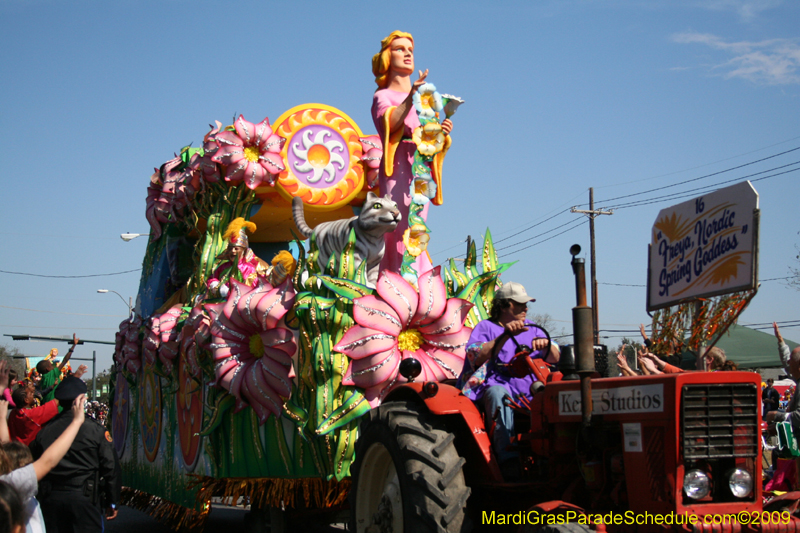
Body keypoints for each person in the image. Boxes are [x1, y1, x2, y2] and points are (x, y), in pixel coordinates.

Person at [371, 31, 453, 275]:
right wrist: (411, 96)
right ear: (387, 58)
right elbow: (391, 122)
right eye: (400, 49)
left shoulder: (425, 101)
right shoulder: (383, 96)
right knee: (396, 224)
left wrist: (443, 133)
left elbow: (430, 138)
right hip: (397, 168)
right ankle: (394, 277)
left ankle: (416, 277)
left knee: (417, 227)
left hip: (419, 171)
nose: (407, 53)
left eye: (410, 50)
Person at [457, 282, 559, 477]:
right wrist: (505, 335)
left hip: (528, 391)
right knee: (497, 393)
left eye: (526, 304)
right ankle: (508, 460)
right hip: (498, 386)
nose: (526, 308)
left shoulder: (532, 329)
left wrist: (547, 344)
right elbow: (476, 356)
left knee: (551, 395)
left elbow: (555, 356)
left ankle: (549, 456)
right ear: (503, 306)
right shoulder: (486, 327)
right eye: (520, 304)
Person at [31, 376, 120, 533]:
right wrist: (112, 501)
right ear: (82, 399)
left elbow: (33, 464)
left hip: (52, 499)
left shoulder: (45, 431)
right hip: (85, 498)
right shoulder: (97, 431)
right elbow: (110, 468)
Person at [207, 217, 295, 299]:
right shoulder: (223, 267)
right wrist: (216, 286)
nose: (233, 251)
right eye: (230, 249)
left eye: (236, 248)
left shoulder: (251, 268)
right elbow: (212, 278)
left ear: (244, 250)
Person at [37, 334, 79, 404]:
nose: (53, 366)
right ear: (47, 369)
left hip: (46, 406)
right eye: (51, 365)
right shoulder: (52, 373)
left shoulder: (43, 380)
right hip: (56, 408)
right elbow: (65, 360)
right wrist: (73, 346)